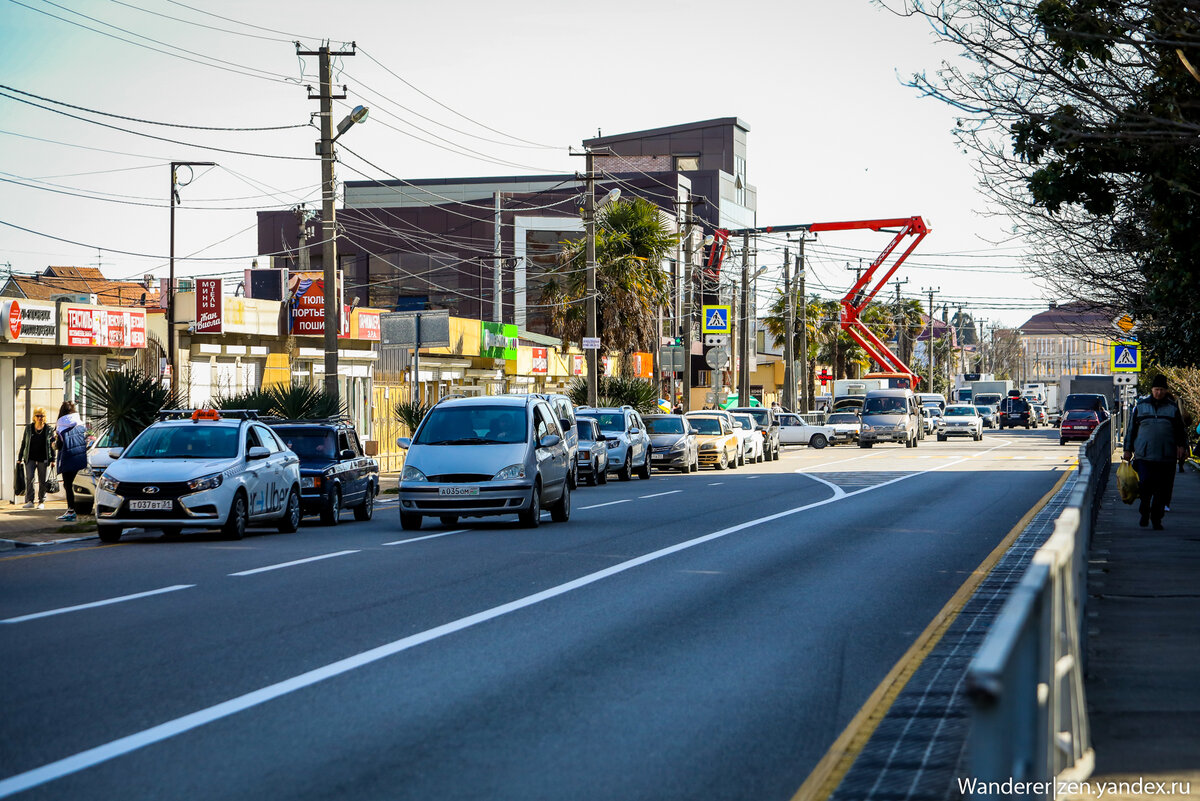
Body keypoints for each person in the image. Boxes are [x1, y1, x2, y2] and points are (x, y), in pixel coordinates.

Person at [1123, 374, 1186, 530]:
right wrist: (1127, 449)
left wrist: (1182, 447)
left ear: (1166, 391)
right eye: (1156, 389)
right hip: (1144, 456)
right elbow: (1131, 430)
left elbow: (1180, 430)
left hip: (1166, 457)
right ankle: (1144, 512)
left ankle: (1157, 519)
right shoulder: (1141, 407)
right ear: (1152, 390)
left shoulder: (1172, 408)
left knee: (1162, 490)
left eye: (1161, 390)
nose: (1158, 393)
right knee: (1145, 486)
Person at [55, 401, 89, 523]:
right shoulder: (80, 425)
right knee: (70, 484)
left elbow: (59, 445)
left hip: (67, 458)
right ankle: (71, 510)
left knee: (67, 485)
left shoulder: (61, 428)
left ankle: (71, 511)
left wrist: (54, 444)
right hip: (79, 458)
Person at [18, 407, 55, 509]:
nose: (39, 418)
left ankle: (41, 501)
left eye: (42, 416)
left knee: (42, 480)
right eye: (37, 416)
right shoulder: (29, 428)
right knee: (29, 478)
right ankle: (30, 500)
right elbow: (24, 443)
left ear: (44, 417)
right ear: (34, 417)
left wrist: (53, 459)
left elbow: (52, 445)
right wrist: (20, 457)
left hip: (43, 458)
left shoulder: (48, 429)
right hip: (30, 458)